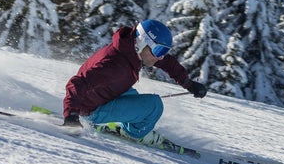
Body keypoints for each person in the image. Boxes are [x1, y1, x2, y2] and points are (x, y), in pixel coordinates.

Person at [62, 19, 208, 145]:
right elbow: (77, 83)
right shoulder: (115, 64)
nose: (160, 57)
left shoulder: (130, 50)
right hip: (91, 109)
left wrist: (188, 84)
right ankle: (133, 133)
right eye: (158, 51)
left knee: (136, 98)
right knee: (153, 106)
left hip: (103, 95)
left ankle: (131, 124)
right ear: (143, 42)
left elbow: (168, 63)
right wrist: (71, 116)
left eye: (164, 52)